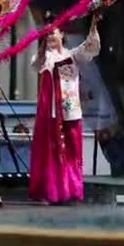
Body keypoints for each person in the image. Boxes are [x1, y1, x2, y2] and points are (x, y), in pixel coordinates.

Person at [29, 12, 101, 204]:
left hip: (71, 110)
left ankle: (71, 189)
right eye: (47, 34)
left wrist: (93, 25)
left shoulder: (72, 55)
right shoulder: (44, 57)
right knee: (53, 151)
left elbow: (90, 48)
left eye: (54, 33)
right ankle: (52, 190)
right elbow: (36, 65)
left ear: (62, 34)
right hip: (53, 112)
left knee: (72, 149)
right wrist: (44, 47)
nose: (51, 37)